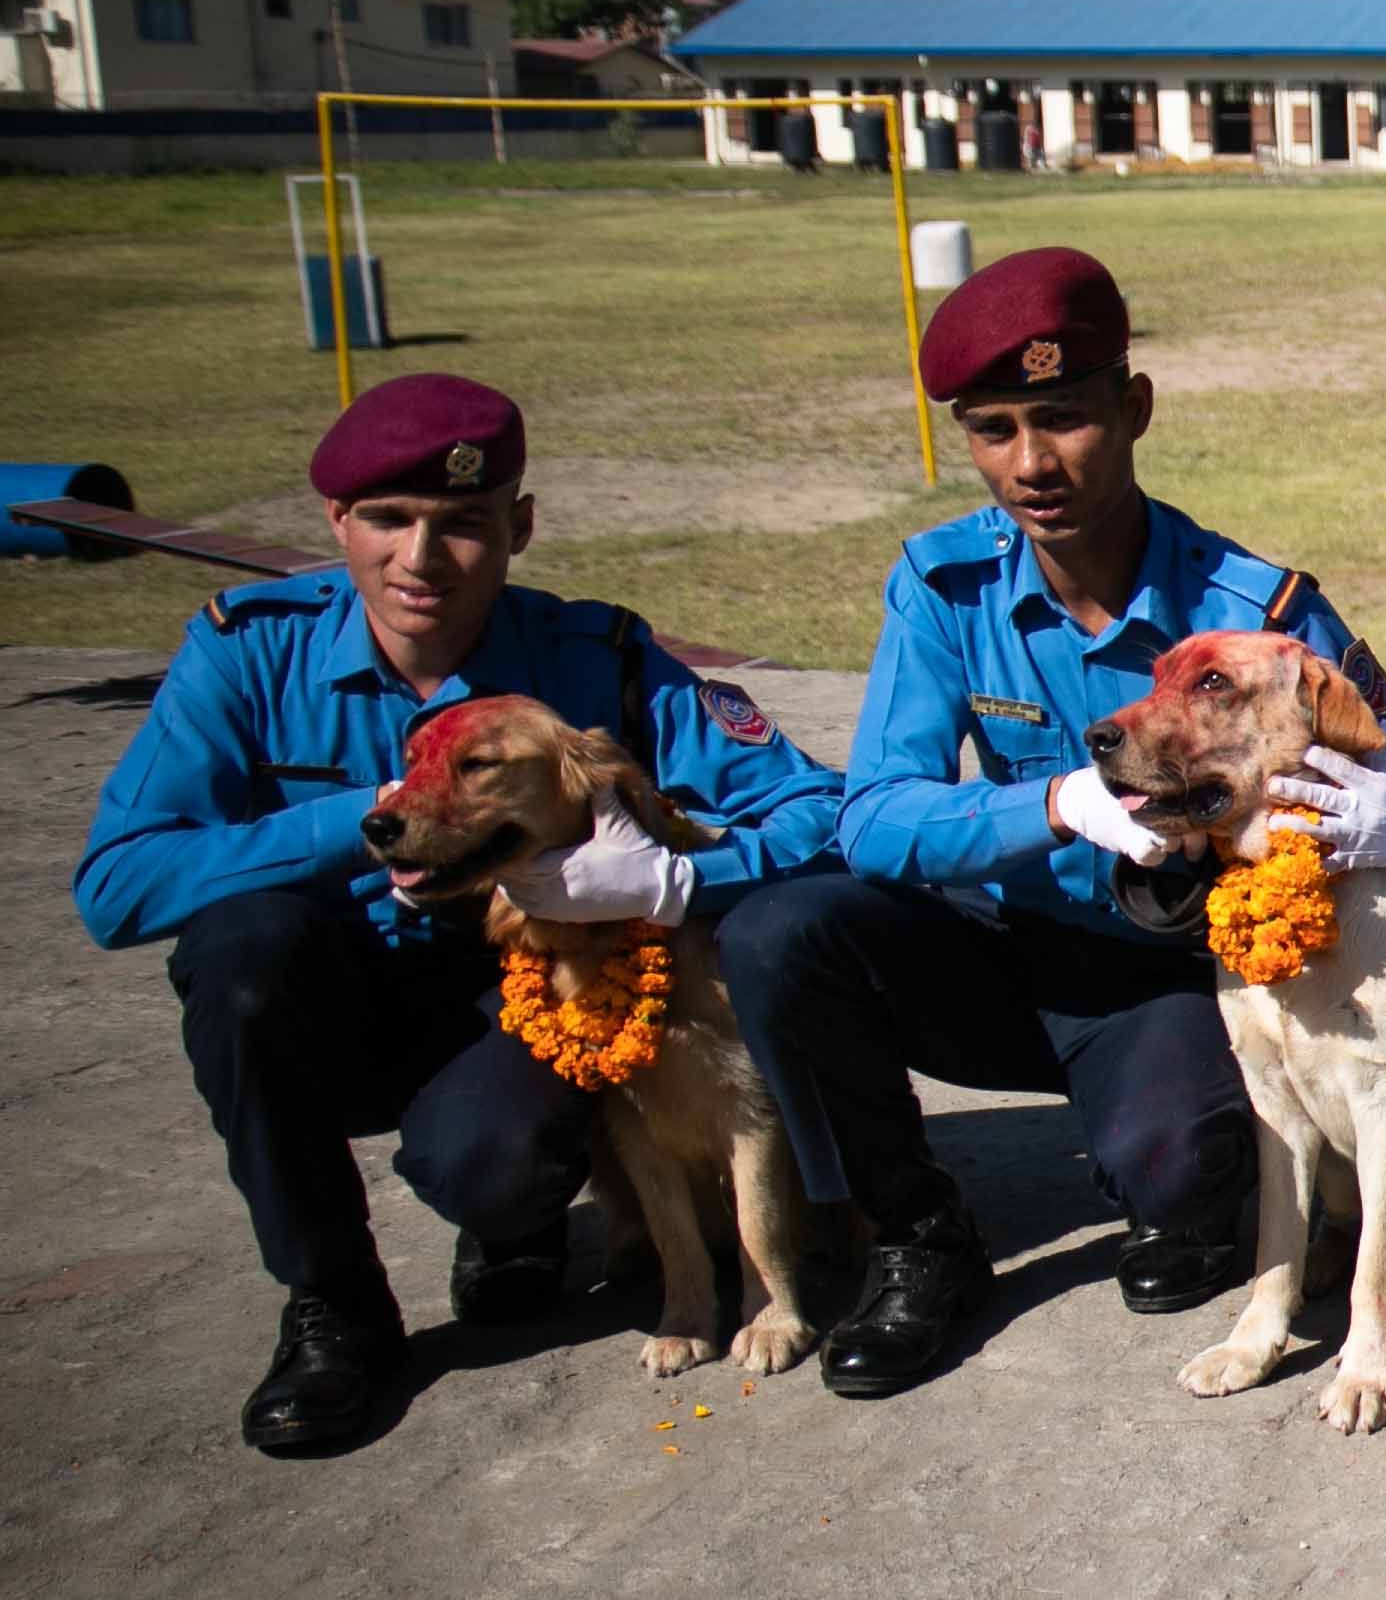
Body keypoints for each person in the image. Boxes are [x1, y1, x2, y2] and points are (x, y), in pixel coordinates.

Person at [76, 374, 844, 1455]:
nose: (421, 561)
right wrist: (376, 819)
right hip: (335, 994)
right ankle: (333, 1307)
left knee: (487, 1161)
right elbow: (117, 886)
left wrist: (676, 876)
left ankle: (516, 1222)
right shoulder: (249, 650)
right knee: (238, 951)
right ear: (337, 521)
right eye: (387, 521)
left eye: (465, 527)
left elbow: (817, 808)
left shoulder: (593, 664)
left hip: (532, 999)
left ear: (519, 525)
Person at [720, 249, 1386, 1400]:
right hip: (995, 951)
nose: (1031, 464)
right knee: (782, 934)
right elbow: (874, 816)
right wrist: (1048, 803)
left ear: (1132, 409)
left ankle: (1193, 1193)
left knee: (1179, 1172)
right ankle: (914, 1235)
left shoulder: (1256, 609)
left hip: (1165, 971)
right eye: (993, 429)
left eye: (1063, 419)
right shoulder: (944, 587)